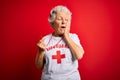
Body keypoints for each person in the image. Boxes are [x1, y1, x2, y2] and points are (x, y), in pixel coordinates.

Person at [35, 5, 84, 80]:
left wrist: (66, 36)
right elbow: (38, 66)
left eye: (67, 20)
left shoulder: (74, 37)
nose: (64, 22)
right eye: (60, 19)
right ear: (52, 23)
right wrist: (40, 51)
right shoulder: (45, 40)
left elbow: (79, 56)